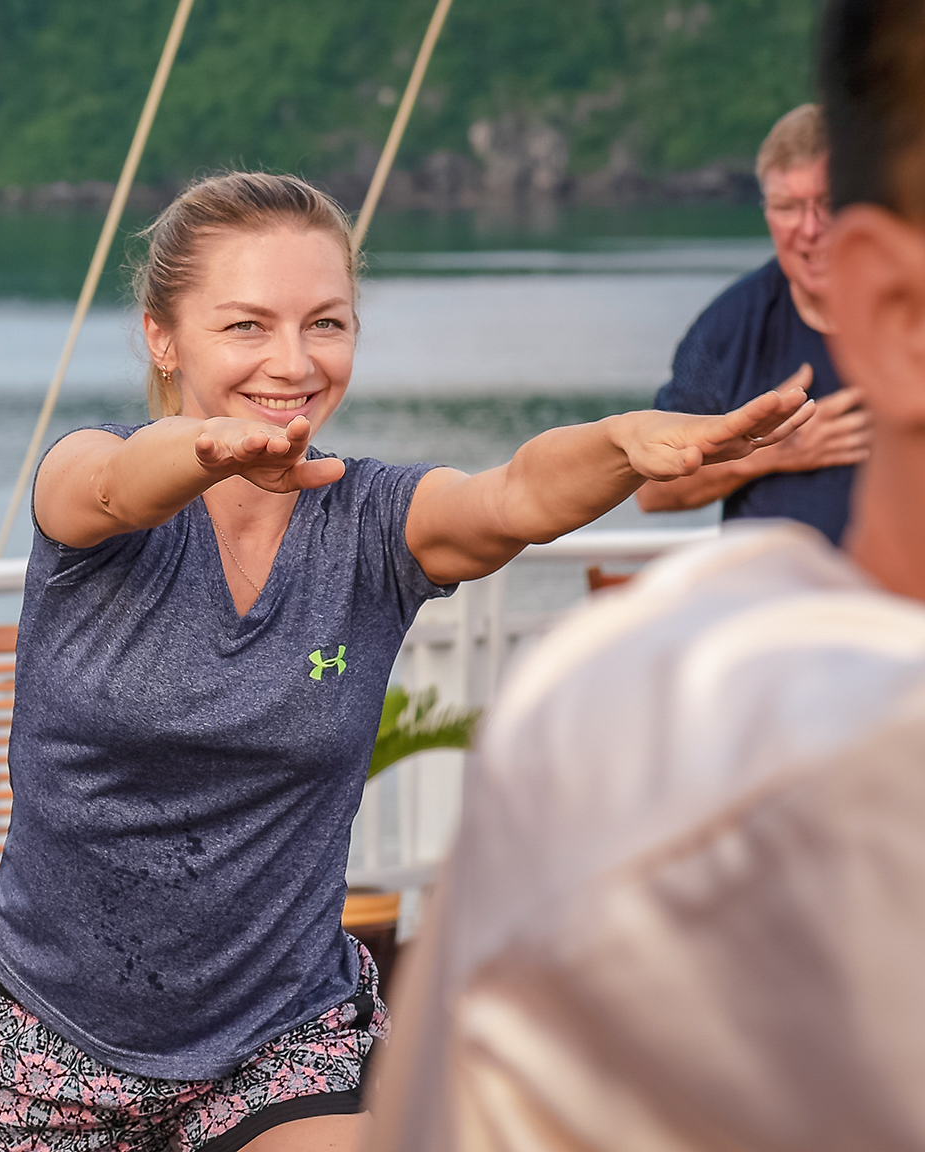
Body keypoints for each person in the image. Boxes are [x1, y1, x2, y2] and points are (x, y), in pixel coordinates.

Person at [0, 171, 812, 1152]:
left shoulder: (366, 525)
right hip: (51, 1044)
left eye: (325, 323)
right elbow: (107, 487)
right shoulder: (88, 482)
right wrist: (208, 450)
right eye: (244, 327)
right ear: (161, 335)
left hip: (281, 1036)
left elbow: (509, 498)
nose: (292, 360)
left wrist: (620, 443)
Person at [366, 3, 925, 1148]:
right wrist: (778, 445)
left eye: (819, 205)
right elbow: (659, 476)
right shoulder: (642, 781)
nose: (800, 231)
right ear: (896, 310)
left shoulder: (606, 757)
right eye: (785, 210)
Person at [637, 103, 870, 545]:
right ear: (766, 212)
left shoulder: (908, 309)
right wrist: (768, 453)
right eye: (788, 207)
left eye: (829, 203)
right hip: (772, 603)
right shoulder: (728, 329)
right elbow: (651, 491)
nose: (810, 228)